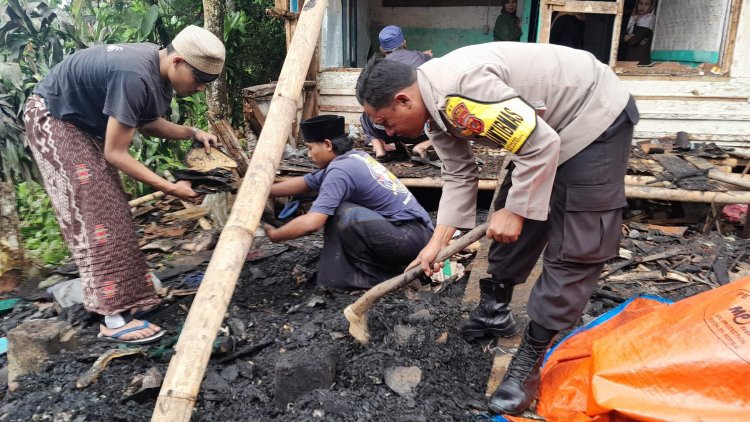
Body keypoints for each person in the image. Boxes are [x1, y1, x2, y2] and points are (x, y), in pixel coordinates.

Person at [355, 43, 638, 415]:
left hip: (592, 116)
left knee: (577, 242)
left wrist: (518, 211)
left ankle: (527, 364)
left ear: (404, 100)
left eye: (386, 122)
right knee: (508, 213)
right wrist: (437, 243)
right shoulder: (434, 110)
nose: (387, 131)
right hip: (542, 133)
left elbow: (541, 143)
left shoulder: (461, 93)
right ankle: (494, 309)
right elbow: (458, 173)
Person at [24, 25, 225, 344]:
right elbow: (116, 153)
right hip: (55, 118)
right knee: (96, 215)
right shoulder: (135, 74)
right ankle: (112, 318)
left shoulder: (155, 72)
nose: (200, 89)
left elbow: (145, 123)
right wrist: (171, 188)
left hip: (84, 124)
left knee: (114, 211)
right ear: (177, 62)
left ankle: (127, 300)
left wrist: (192, 133)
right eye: (199, 80)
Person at [264, 115, 434, 290]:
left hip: (412, 240)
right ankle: (367, 272)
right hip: (419, 235)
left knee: (343, 212)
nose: (308, 154)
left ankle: (376, 279)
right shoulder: (354, 157)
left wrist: (276, 235)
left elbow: (311, 224)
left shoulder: (339, 170)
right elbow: (305, 183)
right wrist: (262, 190)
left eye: (310, 148)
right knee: (342, 211)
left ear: (328, 145)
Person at [368, 25, 433, 162]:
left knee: (365, 117)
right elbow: (428, 59)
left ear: (381, 49)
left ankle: (379, 149)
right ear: (404, 43)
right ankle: (423, 146)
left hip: (386, 131)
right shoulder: (419, 57)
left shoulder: (377, 68)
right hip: (419, 130)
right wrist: (426, 56)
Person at [621, 0, 657, 65]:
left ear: (651, 6)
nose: (642, 7)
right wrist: (624, 37)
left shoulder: (649, 19)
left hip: (640, 60)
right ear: (637, 4)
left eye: (646, 4)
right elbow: (620, 37)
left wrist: (626, 38)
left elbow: (633, 41)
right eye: (640, 3)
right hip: (630, 58)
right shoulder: (633, 17)